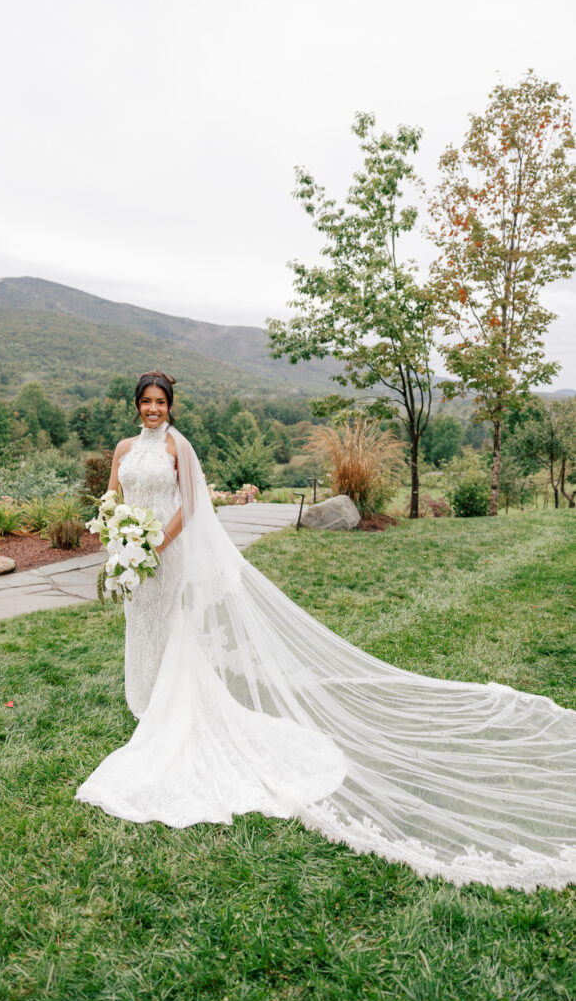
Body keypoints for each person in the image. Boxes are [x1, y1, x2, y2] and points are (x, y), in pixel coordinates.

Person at [76, 371, 576, 892]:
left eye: (160, 402)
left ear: (171, 406)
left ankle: (171, 710)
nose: (153, 409)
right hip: (133, 556)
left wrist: (156, 542)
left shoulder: (181, 447)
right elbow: (112, 498)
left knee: (175, 631)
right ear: (136, 406)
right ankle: (149, 702)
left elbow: (192, 506)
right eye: (145, 402)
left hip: (167, 552)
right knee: (144, 626)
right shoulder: (124, 447)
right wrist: (119, 538)